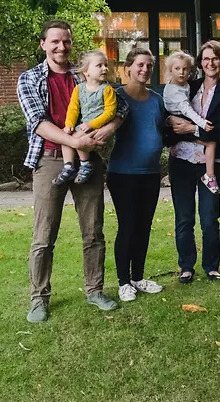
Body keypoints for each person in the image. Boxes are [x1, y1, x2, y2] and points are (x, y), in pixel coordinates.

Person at [17, 19, 128, 323]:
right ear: (43, 44)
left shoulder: (86, 74)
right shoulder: (29, 78)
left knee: (93, 231)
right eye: (54, 41)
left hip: (89, 159)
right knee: (43, 235)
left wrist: (107, 130)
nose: (61, 47)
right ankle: (38, 298)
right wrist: (77, 140)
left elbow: (121, 108)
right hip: (50, 160)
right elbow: (38, 123)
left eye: (66, 41)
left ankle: (94, 290)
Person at [164, 41, 220, 283]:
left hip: (211, 163)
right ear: (200, 62)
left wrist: (193, 129)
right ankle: (186, 266)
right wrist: (174, 125)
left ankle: (211, 266)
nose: (210, 63)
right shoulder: (187, 86)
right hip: (181, 159)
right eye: (205, 58)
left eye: (215, 58)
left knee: (209, 216)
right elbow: (170, 119)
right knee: (184, 217)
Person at [106, 47, 166, 302]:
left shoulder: (156, 99)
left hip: (151, 173)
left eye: (149, 65)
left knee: (144, 226)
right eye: (140, 65)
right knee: (128, 225)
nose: (145, 70)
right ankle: (123, 282)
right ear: (127, 68)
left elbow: (164, 129)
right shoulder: (115, 97)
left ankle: (138, 277)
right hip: (123, 173)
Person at [55, 49, 117, 185]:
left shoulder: (107, 90)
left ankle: (85, 164)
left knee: (76, 139)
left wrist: (92, 124)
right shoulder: (79, 89)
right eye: (99, 65)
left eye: (105, 65)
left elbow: (110, 112)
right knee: (66, 138)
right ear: (86, 71)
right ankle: (68, 166)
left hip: (98, 126)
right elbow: (73, 108)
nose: (105, 68)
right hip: (84, 125)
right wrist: (69, 124)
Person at [163, 51, 219, 194]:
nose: (181, 72)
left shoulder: (185, 85)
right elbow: (187, 110)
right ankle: (210, 175)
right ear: (170, 70)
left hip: (183, 120)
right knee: (210, 143)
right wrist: (201, 123)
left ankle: (209, 174)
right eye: (177, 69)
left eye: (185, 69)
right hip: (181, 120)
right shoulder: (174, 91)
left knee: (209, 143)